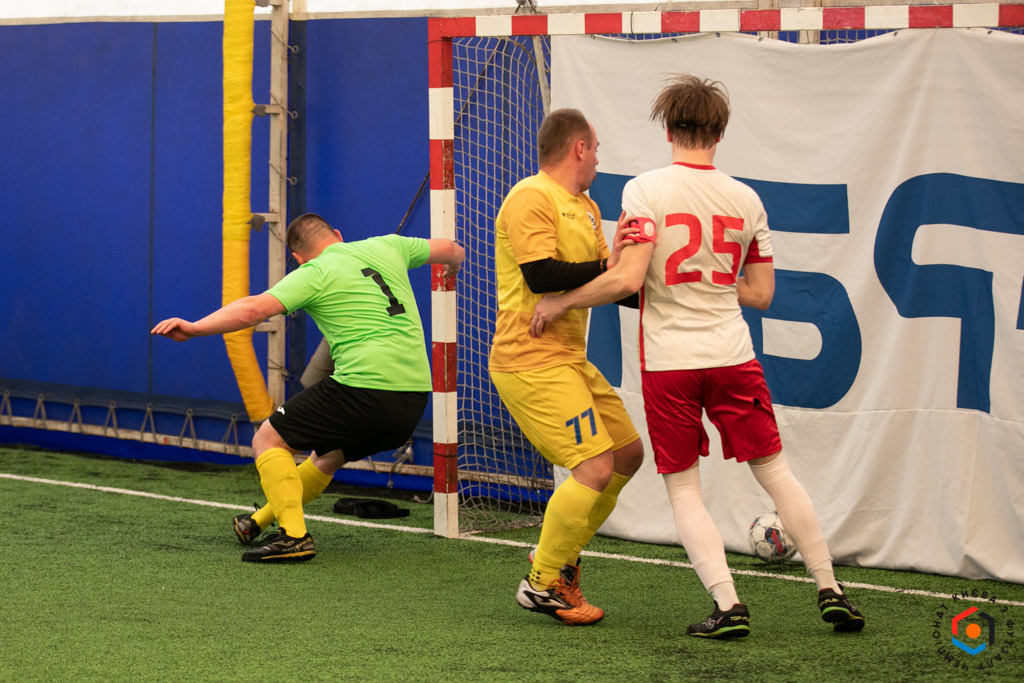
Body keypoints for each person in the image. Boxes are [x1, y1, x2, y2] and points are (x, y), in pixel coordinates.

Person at [530, 76, 865, 637]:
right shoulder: (746, 199)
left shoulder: (645, 189)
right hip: (732, 355)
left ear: (668, 129)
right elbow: (761, 294)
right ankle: (830, 587)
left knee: (685, 489)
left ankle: (728, 605)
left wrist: (561, 301)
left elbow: (627, 279)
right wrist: (711, 284)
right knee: (776, 473)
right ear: (720, 133)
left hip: (671, 363)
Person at [152, 213, 464, 562]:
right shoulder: (388, 245)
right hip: (413, 402)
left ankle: (294, 538)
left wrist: (194, 328)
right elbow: (453, 250)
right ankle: (258, 521)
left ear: (297, 257)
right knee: (327, 457)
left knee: (267, 440)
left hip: (364, 390)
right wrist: (452, 267)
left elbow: (253, 309)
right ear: (338, 235)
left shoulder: (313, 272)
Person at [490, 108, 644, 625]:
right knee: (594, 467)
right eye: (595, 148)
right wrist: (609, 266)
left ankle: (558, 560)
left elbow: (607, 283)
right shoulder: (531, 196)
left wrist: (662, 286)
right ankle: (541, 584)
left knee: (627, 455)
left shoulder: (587, 205)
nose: (598, 158)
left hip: (569, 359)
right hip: (528, 359)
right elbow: (541, 276)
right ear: (579, 147)